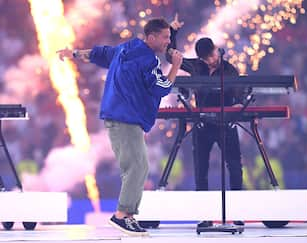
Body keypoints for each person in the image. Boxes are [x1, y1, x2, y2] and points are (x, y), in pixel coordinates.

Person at [57, 18, 183, 236]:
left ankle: (129, 215)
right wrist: (176, 67)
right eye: (165, 38)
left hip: (118, 116)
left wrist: (74, 53)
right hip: (127, 118)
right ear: (151, 38)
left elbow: (99, 53)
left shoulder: (126, 48)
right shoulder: (149, 60)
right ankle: (122, 215)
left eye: (169, 38)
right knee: (137, 167)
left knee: (136, 166)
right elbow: (161, 88)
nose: (168, 43)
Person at [168, 14, 244, 227]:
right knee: (200, 169)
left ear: (215, 50)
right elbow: (170, 56)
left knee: (235, 166)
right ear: (201, 58)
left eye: (212, 55)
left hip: (225, 123)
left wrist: (239, 103)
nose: (211, 60)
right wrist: (173, 32)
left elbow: (240, 92)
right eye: (207, 58)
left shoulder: (229, 70)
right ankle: (205, 216)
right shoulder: (196, 67)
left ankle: (237, 213)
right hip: (202, 124)